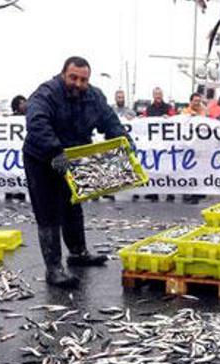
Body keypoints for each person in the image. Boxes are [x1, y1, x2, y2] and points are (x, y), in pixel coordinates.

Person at [23, 56, 129, 288]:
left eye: (83, 79)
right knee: (48, 212)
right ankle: (53, 269)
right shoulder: (46, 93)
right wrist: (55, 151)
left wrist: (124, 142)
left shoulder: (94, 96)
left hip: (74, 157)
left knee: (72, 205)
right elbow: (37, 122)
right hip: (42, 158)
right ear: (63, 74)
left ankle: (78, 253)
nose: (78, 84)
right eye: (74, 77)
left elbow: (110, 122)